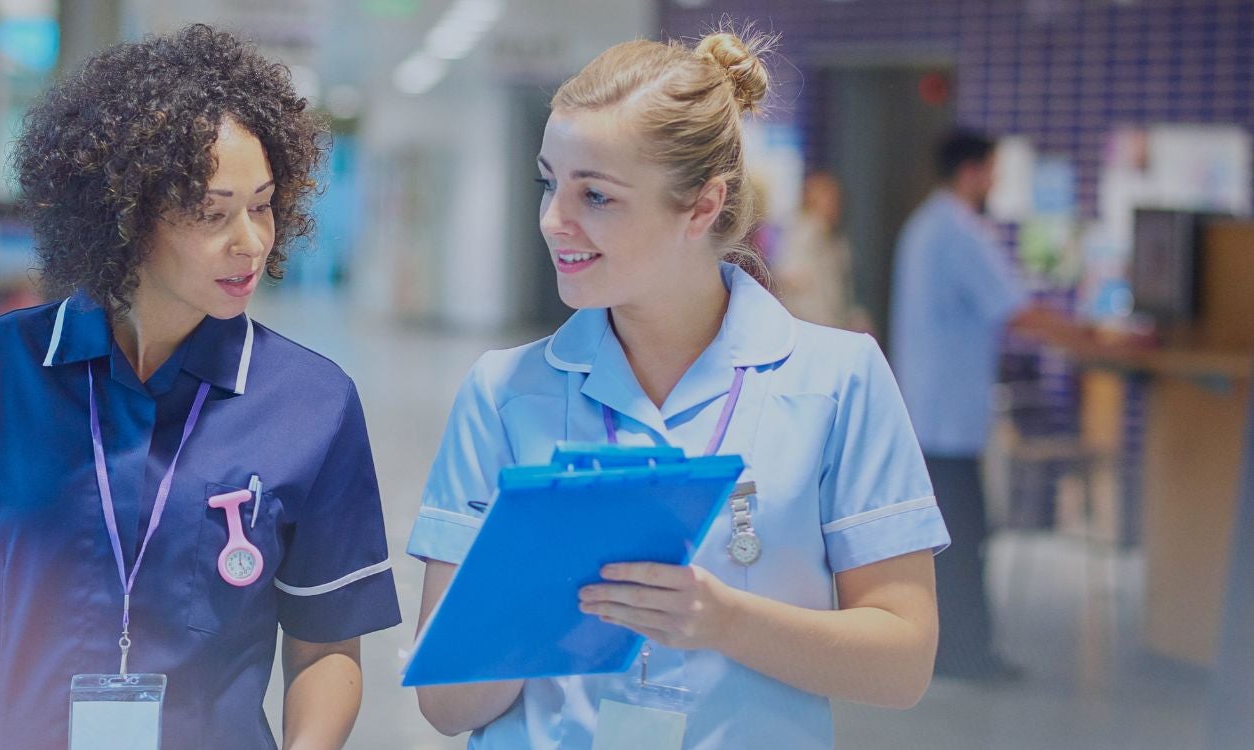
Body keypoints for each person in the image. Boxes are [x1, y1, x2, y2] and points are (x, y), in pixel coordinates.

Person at [0, 25, 402, 750]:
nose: (251, 241)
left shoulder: (311, 404)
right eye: (212, 213)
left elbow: (325, 647)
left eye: (262, 204)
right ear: (125, 216)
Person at [408, 32, 949, 749]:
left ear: (701, 206)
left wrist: (724, 622)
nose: (552, 220)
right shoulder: (504, 393)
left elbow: (901, 664)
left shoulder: (837, 383)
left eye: (594, 195)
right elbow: (446, 708)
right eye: (549, 183)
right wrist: (528, 590)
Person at [889, 130, 1079, 682]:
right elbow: (1016, 310)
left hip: (929, 412)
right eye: (993, 170)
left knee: (951, 545)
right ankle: (964, 656)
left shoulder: (927, 224)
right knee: (964, 545)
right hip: (947, 420)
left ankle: (950, 651)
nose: (996, 181)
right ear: (973, 171)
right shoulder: (958, 231)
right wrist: (1093, 339)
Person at [775, 170, 869, 331]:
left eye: (836, 198)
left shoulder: (837, 243)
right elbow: (791, 280)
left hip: (833, 328)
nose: (833, 204)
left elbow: (844, 295)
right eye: (827, 197)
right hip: (809, 330)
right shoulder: (800, 234)